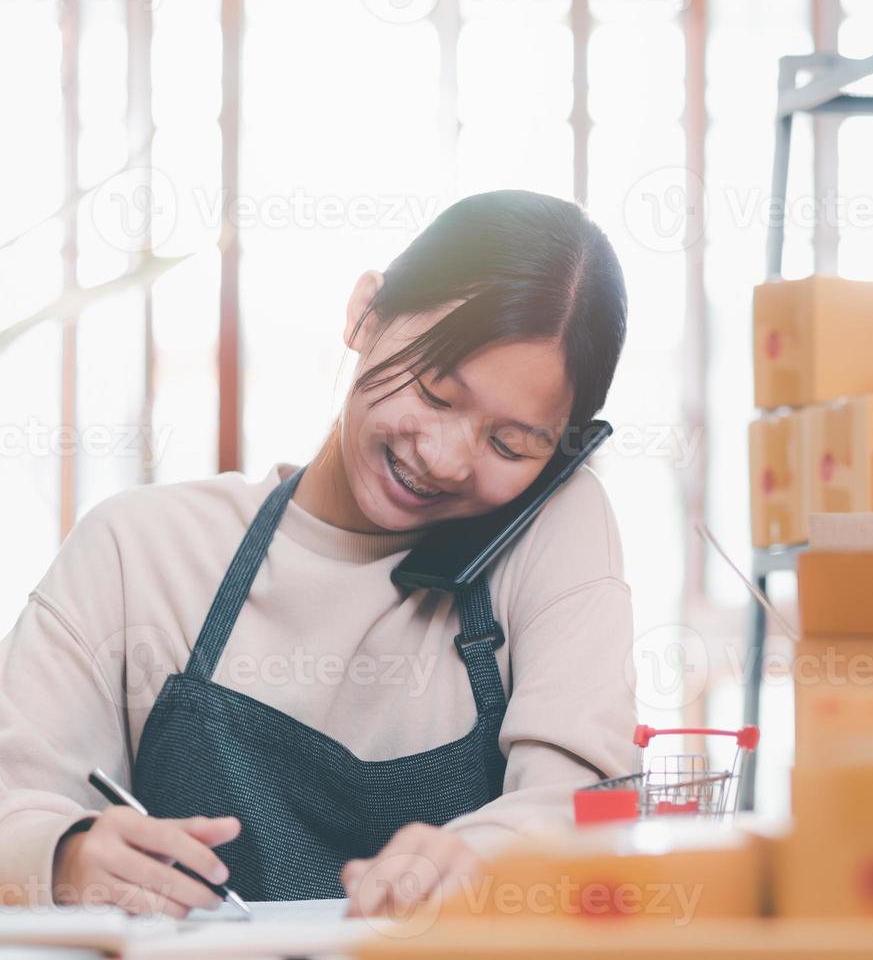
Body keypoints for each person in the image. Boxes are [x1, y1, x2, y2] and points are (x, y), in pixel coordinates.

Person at [0, 190, 639, 918]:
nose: (447, 458)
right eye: (435, 393)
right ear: (365, 313)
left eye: (509, 444)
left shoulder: (553, 526)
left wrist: (486, 854)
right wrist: (66, 854)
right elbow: (11, 803)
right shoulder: (137, 550)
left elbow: (587, 804)